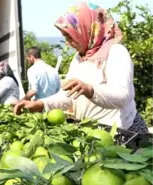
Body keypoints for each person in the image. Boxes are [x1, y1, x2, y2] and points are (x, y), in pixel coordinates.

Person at [14, 2, 148, 134]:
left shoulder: (116, 52)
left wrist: (90, 90)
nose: (67, 42)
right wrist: (41, 104)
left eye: (70, 36)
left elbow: (123, 96)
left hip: (124, 132)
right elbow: (68, 96)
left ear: (87, 29)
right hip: (95, 134)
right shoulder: (79, 59)